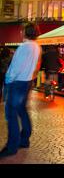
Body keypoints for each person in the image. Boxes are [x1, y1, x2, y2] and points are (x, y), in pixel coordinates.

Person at [1, 23, 42, 158]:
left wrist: (7, 80)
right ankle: (24, 139)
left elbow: (16, 67)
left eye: (22, 30)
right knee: (22, 111)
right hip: (26, 82)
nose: (20, 32)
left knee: (11, 114)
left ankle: (12, 146)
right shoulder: (36, 47)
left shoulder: (24, 47)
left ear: (25, 32)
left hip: (16, 83)